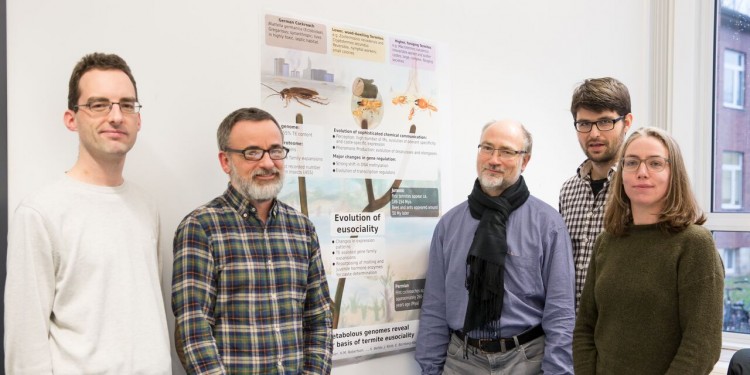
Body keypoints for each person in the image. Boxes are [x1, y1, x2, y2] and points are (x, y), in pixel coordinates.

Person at [4, 53, 171, 373]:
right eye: (98, 105)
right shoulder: (40, 212)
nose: (116, 116)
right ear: (71, 118)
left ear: (138, 119)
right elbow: (24, 347)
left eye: (127, 105)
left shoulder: (146, 206)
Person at [171, 107, 333, 374]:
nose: (268, 163)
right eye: (252, 152)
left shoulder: (302, 229)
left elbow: (319, 319)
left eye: (275, 151)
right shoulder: (201, 228)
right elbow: (194, 330)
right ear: (226, 161)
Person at [416, 119, 575, 375]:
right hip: (462, 360)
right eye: (487, 148)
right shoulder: (449, 225)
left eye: (507, 152)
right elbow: (435, 306)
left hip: (526, 360)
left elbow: (561, 312)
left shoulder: (548, 225)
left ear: (525, 161)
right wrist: (430, 369)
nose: (494, 159)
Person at [573, 127, 724, 374]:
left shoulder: (694, 244)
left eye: (655, 163)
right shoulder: (606, 241)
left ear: (674, 173)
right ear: (621, 174)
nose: (641, 172)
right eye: (631, 163)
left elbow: (702, 345)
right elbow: (585, 328)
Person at [559, 77, 632, 308]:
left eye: (605, 122)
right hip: (572, 332)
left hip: (618, 330)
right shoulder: (568, 190)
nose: (594, 134)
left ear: (627, 122)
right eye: (584, 124)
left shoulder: (639, 187)